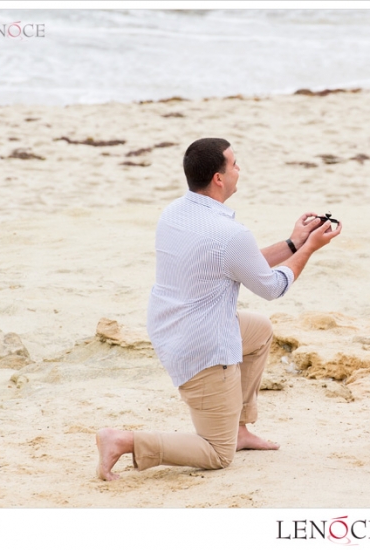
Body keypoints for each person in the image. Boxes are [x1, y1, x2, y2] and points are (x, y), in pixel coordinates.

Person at [96, 137, 341, 480]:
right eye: (235, 164)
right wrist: (310, 248)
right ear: (219, 178)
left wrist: (293, 243)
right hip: (204, 346)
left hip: (171, 329)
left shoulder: (174, 213)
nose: (240, 169)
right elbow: (271, 287)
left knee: (259, 331)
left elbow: (240, 263)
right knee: (216, 452)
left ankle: (239, 429)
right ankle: (124, 441)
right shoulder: (229, 234)